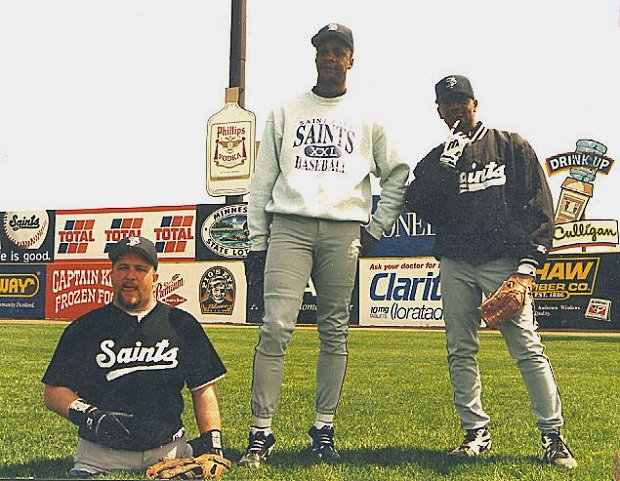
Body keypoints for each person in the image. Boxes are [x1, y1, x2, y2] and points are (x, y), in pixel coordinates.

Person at [240, 22, 409, 467]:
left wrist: (377, 226)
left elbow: (397, 173)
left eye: (338, 51)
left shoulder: (369, 114)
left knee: (334, 330)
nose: (330, 58)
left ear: (352, 59)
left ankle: (323, 427)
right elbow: (263, 181)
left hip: (342, 229)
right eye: (323, 51)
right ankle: (261, 432)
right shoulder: (285, 110)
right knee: (275, 326)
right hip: (290, 226)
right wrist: (258, 242)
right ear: (314, 57)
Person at [405, 75, 577, 468]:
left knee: (528, 347)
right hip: (456, 262)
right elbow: (420, 204)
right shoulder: (436, 158)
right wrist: (446, 164)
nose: (455, 109)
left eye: (461, 101)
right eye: (447, 104)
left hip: (502, 262)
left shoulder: (509, 145)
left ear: (475, 103)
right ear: (438, 110)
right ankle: (474, 432)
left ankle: (553, 436)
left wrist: (527, 268)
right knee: (460, 349)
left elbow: (538, 205)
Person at [42, 236, 227, 477]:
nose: (131, 276)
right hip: (99, 457)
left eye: (140, 268)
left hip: (170, 452)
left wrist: (213, 444)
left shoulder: (181, 324)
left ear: (154, 277)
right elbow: (53, 393)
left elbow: (203, 388)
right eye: (123, 268)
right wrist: (91, 416)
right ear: (111, 275)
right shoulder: (85, 327)